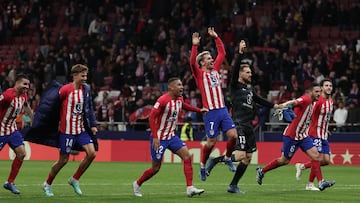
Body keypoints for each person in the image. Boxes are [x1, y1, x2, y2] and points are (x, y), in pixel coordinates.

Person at [205, 40, 281, 194]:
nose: (250, 74)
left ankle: (233, 185)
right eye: (247, 72)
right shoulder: (234, 85)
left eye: (250, 72)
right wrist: (240, 53)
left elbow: (259, 100)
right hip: (238, 124)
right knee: (239, 155)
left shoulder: (250, 89)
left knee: (247, 158)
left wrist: (275, 106)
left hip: (248, 126)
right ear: (240, 74)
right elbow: (234, 69)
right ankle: (215, 160)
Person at [132, 77, 208, 197]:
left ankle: (190, 188)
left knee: (187, 156)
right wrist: (156, 137)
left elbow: (184, 106)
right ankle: (137, 183)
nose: (181, 87)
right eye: (179, 85)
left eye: (182, 85)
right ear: (171, 88)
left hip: (172, 137)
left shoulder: (179, 99)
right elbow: (151, 117)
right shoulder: (162, 100)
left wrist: (199, 110)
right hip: (159, 138)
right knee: (155, 168)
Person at [255, 83, 335, 191]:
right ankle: (262, 171)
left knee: (316, 156)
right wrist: (283, 105)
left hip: (303, 136)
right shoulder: (306, 99)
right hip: (292, 136)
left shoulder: (313, 103)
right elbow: (294, 102)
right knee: (284, 160)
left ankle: (321, 182)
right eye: (316, 91)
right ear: (310, 92)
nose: (319, 94)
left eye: (320, 92)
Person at [42, 64, 98, 196]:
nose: (85, 78)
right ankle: (47, 183)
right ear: (75, 75)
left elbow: (89, 108)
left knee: (92, 154)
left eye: (86, 75)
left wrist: (93, 125)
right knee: (63, 160)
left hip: (81, 129)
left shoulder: (86, 89)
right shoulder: (65, 90)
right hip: (66, 131)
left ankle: (74, 179)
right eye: (82, 76)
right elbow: (53, 105)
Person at [190, 27, 237, 181]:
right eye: (209, 58)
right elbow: (192, 62)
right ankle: (203, 166)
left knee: (233, 137)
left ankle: (228, 158)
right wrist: (195, 46)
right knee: (211, 143)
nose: (212, 60)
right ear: (202, 62)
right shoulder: (199, 74)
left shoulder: (216, 70)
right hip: (210, 113)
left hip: (222, 110)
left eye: (211, 58)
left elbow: (222, 53)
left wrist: (216, 37)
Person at [295, 79, 335, 191]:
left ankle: (302, 166)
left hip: (324, 134)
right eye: (326, 85)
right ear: (322, 88)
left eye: (330, 86)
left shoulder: (331, 101)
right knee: (316, 158)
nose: (329, 87)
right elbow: (310, 115)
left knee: (326, 161)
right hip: (314, 133)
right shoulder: (318, 101)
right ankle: (311, 184)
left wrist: (326, 129)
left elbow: (325, 119)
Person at [0, 74, 33, 194]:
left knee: (22, 153)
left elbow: (26, 107)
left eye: (28, 85)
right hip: (1, 130)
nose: (27, 87)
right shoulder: (7, 95)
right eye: (24, 84)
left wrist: (33, 120)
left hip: (12, 130)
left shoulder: (23, 96)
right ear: (17, 83)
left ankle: (10, 182)